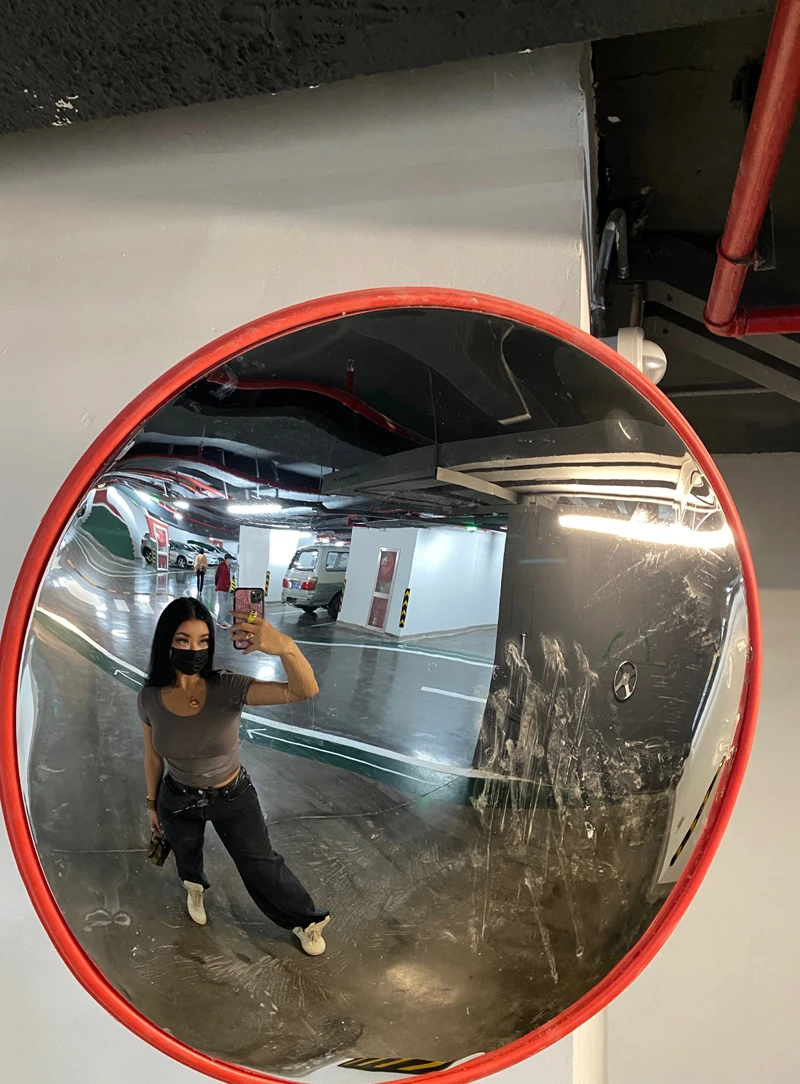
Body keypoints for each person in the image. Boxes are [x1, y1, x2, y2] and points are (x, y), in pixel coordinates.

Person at [138, 597, 331, 956]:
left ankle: (304, 920)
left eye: (203, 640)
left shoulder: (227, 687)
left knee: (261, 865)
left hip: (232, 796)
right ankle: (195, 889)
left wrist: (286, 647)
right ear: (166, 642)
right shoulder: (149, 697)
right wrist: (152, 804)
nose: (193, 649)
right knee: (186, 853)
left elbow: (303, 690)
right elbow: (152, 756)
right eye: (182, 640)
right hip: (177, 797)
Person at [214, 553, 233, 628]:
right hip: (221, 588)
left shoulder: (228, 567)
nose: (230, 560)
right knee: (223, 605)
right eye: (230, 559)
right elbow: (217, 576)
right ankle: (221, 621)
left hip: (226, 588)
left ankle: (219, 620)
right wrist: (217, 585)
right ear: (227, 559)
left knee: (224, 604)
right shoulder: (221, 566)